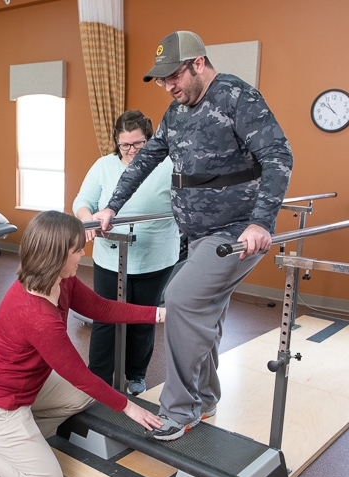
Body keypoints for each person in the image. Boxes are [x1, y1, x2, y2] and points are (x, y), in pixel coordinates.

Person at [93, 31, 293, 441]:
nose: (168, 86)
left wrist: (261, 223)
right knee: (205, 315)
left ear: (198, 64)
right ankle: (205, 398)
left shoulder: (237, 97)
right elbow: (145, 159)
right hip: (197, 234)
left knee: (181, 300)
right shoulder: (176, 111)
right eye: (162, 80)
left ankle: (179, 410)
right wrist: (112, 205)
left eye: (174, 76)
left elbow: (278, 155)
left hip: (235, 232)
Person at [0, 210, 163, 477]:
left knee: (86, 394)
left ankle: (18, 439)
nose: (82, 254)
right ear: (56, 255)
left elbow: (101, 309)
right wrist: (129, 407)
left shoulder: (60, 280)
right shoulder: (38, 315)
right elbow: (78, 374)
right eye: (77, 250)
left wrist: (159, 314)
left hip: (27, 388)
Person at [73, 110, 179, 396]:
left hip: (156, 256)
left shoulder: (168, 165)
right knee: (105, 318)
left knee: (142, 320)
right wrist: (87, 218)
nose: (131, 151)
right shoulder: (104, 166)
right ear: (116, 143)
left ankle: (135, 375)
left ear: (151, 139)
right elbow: (83, 200)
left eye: (138, 144)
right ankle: (98, 380)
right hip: (110, 256)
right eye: (125, 145)